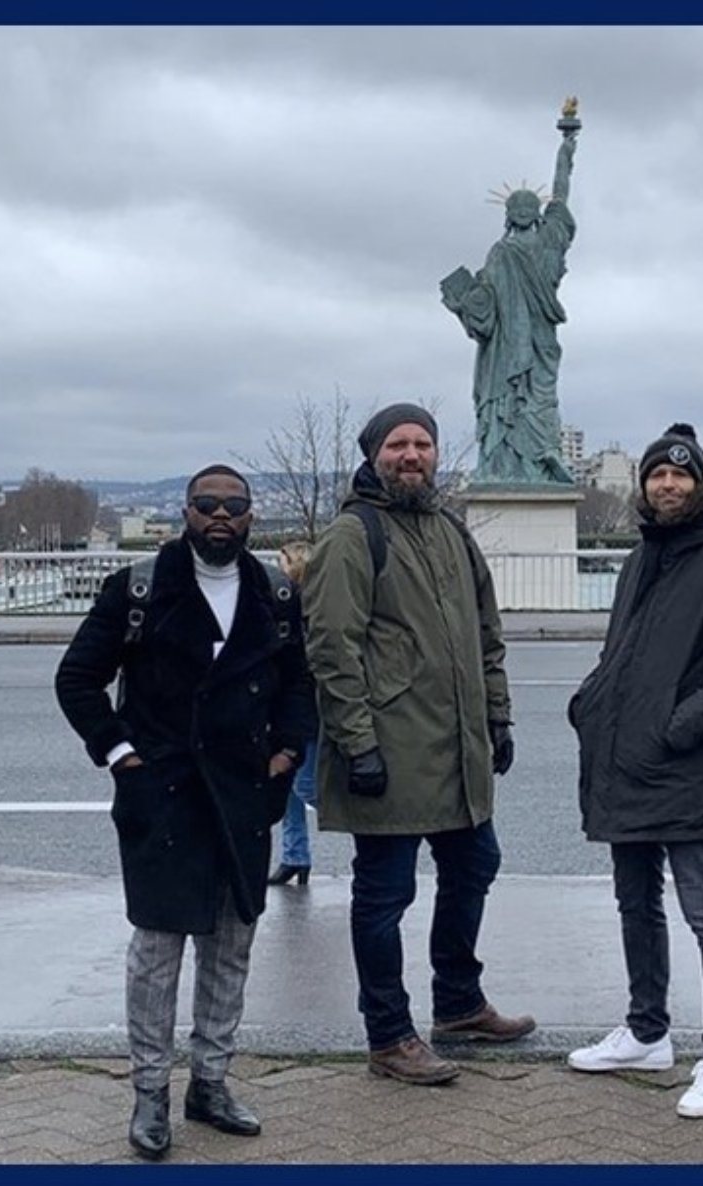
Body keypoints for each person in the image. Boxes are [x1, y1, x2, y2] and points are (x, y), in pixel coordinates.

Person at [54, 464, 315, 1160]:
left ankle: (211, 1081)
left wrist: (286, 755)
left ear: (252, 517)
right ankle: (149, 1093)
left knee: (231, 946)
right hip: (162, 796)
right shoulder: (139, 588)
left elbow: (298, 685)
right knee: (157, 955)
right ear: (186, 512)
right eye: (207, 504)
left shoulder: (276, 593)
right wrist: (121, 755)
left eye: (234, 505)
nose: (220, 516)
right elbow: (77, 678)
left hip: (243, 796)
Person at [301, 402, 533, 1087]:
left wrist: (498, 718)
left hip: (457, 752)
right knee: (385, 895)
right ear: (375, 454)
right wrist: (358, 745)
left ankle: (459, 1002)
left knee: (474, 864)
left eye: (422, 443)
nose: (412, 454)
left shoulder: (451, 532)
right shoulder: (353, 535)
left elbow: (487, 638)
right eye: (398, 443)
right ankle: (389, 1034)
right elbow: (331, 647)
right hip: (389, 752)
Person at [566, 423, 703, 1119]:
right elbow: (621, 655)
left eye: (681, 476)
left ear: (700, 485)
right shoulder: (640, 559)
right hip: (625, 761)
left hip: (682, 764)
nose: (669, 484)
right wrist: (592, 705)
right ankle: (648, 1031)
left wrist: (677, 727)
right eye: (658, 475)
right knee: (635, 903)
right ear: (646, 486)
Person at [441, 118, 578, 484]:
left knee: (507, 404)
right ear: (537, 214)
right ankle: (537, 461)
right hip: (537, 347)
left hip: (508, 353)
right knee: (540, 403)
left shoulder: (500, 254)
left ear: (508, 215)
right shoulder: (550, 240)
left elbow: (482, 312)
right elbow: (562, 195)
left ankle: (517, 465)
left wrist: (461, 301)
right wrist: (566, 150)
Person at [268, 539, 319, 887]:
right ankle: (294, 856)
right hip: (285, 704)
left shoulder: (312, 606)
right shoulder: (282, 603)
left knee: (307, 787)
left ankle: (372, 834)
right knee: (287, 786)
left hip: (309, 706)